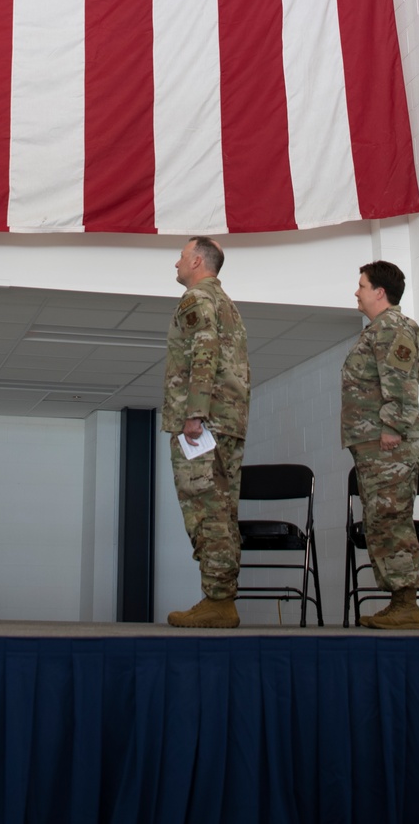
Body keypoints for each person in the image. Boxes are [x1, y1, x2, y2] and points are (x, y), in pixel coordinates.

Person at [162, 236, 250, 629]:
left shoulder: (197, 299)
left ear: (197, 260)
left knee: (205, 511)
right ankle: (221, 599)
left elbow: (204, 352)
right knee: (223, 511)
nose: (176, 264)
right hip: (227, 421)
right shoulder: (226, 302)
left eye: (181, 257)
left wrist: (194, 413)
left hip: (204, 424)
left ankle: (217, 600)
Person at [342, 260, 419, 629]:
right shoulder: (377, 330)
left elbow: (402, 382)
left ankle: (406, 603)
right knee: (379, 521)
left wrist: (392, 426)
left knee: (391, 520)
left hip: (389, 444)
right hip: (373, 446)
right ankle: (399, 601)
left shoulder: (394, 327)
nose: (357, 292)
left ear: (379, 291)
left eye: (361, 285)